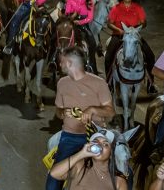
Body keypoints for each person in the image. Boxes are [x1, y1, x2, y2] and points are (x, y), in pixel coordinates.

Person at [49, 46, 115, 190]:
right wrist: (62, 112)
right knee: (52, 180)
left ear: (70, 63)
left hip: (96, 136)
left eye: (62, 62)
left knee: (122, 167)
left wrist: (92, 110)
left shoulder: (99, 83)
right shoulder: (62, 83)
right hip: (70, 136)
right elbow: (58, 111)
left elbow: (110, 112)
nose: (59, 64)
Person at [104, 0, 157, 92]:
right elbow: (109, 23)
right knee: (109, 56)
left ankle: (151, 84)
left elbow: (144, 22)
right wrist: (119, 30)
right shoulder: (116, 8)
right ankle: (108, 82)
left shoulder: (137, 8)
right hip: (119, 35)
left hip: (133, 35)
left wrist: (139, 26)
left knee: (150, 55)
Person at [49, 129, 127, 190]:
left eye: (105, 144)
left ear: (111, 152)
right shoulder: (80, 166)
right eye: (96, 142)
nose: (99, 146)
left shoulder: (118, 182)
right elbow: (54, 173)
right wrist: (82, 154)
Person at [64, 0, 97, 73]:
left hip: (83, 24)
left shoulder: (90, 1)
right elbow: (67, 12)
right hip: (71, 22)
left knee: (92, 42)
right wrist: (72, 17)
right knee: (60, 36)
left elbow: (90, 18)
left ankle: (92, 64)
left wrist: (80, 22)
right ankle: (54, 59)